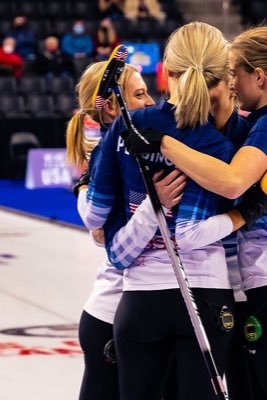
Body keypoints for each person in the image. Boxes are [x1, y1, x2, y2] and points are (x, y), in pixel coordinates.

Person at [127, 25, 267, 400]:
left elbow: (232, 182)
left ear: (259, 76)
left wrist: (165, 144)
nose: (230, 81)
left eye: (235, 72)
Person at [81, 22, 239, 400]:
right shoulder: (218, 140)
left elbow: (95, 218)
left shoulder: (128, 125)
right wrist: (243, 215)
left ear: (166, 70)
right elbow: (191, 232)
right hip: (208, 293)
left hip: (142, 298)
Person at [66, 60, 173, 400]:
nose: (150, 103)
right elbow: (97, 226)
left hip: (140, 309)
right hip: (113, 313)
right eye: (139, 95)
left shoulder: (135, 147)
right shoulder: (109, 154)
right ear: (111, 106)